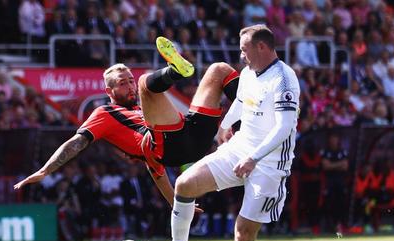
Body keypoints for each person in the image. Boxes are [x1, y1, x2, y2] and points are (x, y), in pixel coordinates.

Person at [146, 25, 300, 241]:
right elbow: (240, 105)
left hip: (269, 163)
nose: (241, 55)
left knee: (243, 232)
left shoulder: (283, 78)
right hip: (240, 149)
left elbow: (284, 127)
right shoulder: (246, 75)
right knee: (185, 184)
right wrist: (225, 128)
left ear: (262, 48)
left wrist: (253, 157)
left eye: (244, 49)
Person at [14, 37, 239, 210]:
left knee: (219, 69)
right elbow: (77, 142)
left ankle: (251, 117)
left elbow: (155, 168)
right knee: (146, 82)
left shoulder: (142, 112)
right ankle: (175, 71)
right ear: (108, 91)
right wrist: (46, 170)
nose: (130, 86)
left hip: (193, 136)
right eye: (123, 83)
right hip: (171, 145)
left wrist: (175, 202)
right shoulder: (105, 113)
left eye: (130, 81)